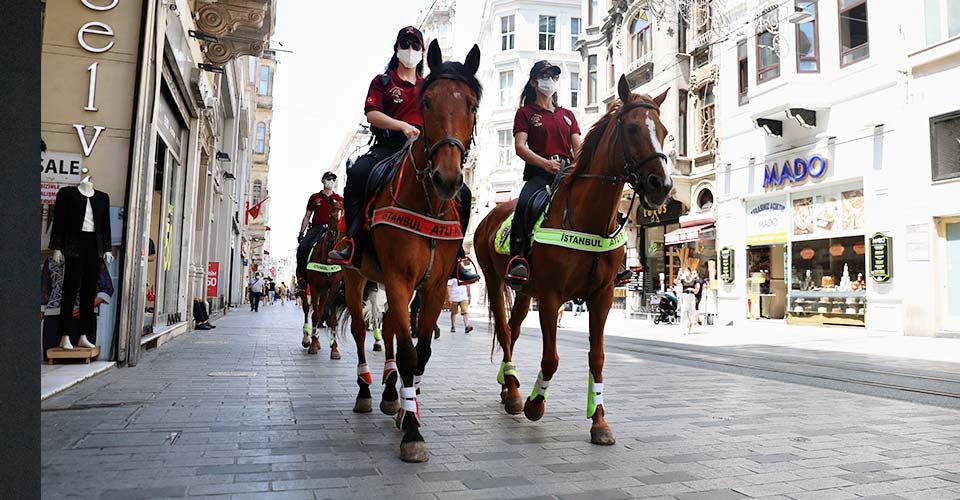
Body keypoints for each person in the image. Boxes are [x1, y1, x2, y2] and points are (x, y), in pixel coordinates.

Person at [328, 25, 479, 284]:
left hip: (424, 149)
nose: (410, 50)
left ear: (422, 52)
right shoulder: (383, 82)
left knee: (463, 193)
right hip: (388, 147)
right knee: (358, 173)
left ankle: (456, 255)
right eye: (405, 45)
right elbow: (371, 114)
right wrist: (402, 126)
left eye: (415, 46)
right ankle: (351, 241)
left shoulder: (430, 86)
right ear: (397, 49)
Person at [506, 61, 582, 285]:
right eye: (545, 75)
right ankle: (518, 257)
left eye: (554, 76)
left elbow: (578, 147)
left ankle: (612, 259)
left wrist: (577, 166)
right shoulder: (525, 113)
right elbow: (521, 147)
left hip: (567, 171)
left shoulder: (567, 115)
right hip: (540, 174)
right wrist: (545, 164)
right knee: (524, 204)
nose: (550, 80)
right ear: (534, 82)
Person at [297, 172, 343, 285]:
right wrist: (301, 232)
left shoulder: (339, 199)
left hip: (334, 230)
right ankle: (302, 278)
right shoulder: (314, 197)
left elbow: (343, 216)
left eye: (333, 179)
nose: (331, 181)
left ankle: (345, 281)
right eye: (328, 179)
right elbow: (307, 216)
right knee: (303, 248)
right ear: (323, 181)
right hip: (317, 228)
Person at [674, 268, 699, 335]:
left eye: (687, 271)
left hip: (691, 296)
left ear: (690, 272)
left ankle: (689, 327)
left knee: (691, 312)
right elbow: (676, 282)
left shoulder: (694, 280)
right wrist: (678, 275)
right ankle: (684, 328)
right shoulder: (682, 280)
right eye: (685, 271)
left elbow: (696, 290)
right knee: (683, 312)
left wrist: (692, 289)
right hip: (684, 296)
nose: (686, 272)